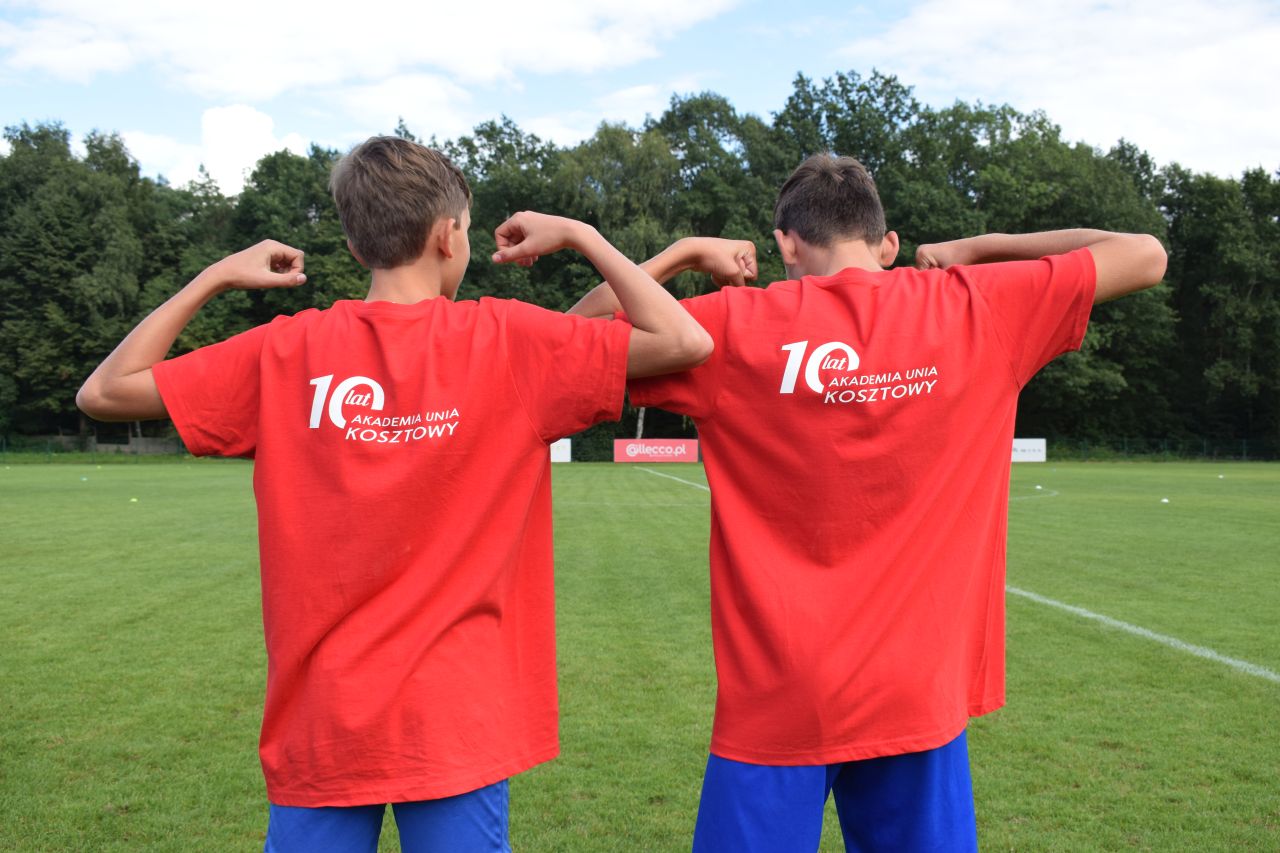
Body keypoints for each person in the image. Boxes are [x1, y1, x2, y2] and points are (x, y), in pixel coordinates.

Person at [76, 136, 712, 852]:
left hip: (322, 717)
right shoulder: (507, 338)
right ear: (448, 236)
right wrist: (581, 235)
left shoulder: (286, 351)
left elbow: (104, 391)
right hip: (454, 718)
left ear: (356, 246)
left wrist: (215, 277)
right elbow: (684, 341)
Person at [569, 153, 1167, 852]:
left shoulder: (732, 324)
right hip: (917, 691)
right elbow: (1144, 254)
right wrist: (976, 248)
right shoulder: (973, 303)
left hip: (780, 696)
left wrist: (682, 253)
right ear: (887, 243)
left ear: (786, 243)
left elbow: (568, 340)